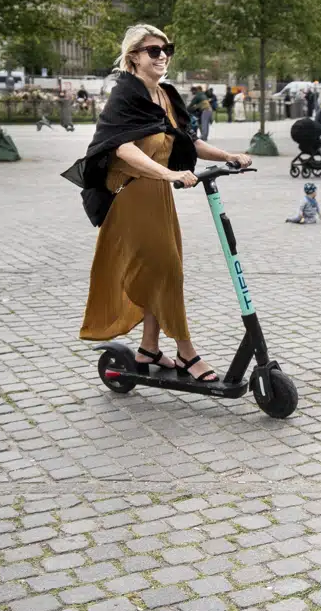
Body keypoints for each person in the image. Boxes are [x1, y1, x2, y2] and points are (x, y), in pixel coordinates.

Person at [78, 23, 253, 383]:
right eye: (154, 51)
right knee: (167, 271)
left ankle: (148, 349)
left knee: (165, 272)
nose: (162, 56)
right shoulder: (125, 96)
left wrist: (228, 155)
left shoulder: (165, 95)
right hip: (132, 197)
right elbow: (122, 147)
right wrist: (168, 174)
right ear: (133, 57)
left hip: (157, 197)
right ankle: (187, 353)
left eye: (166, 49)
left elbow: (187, 141)